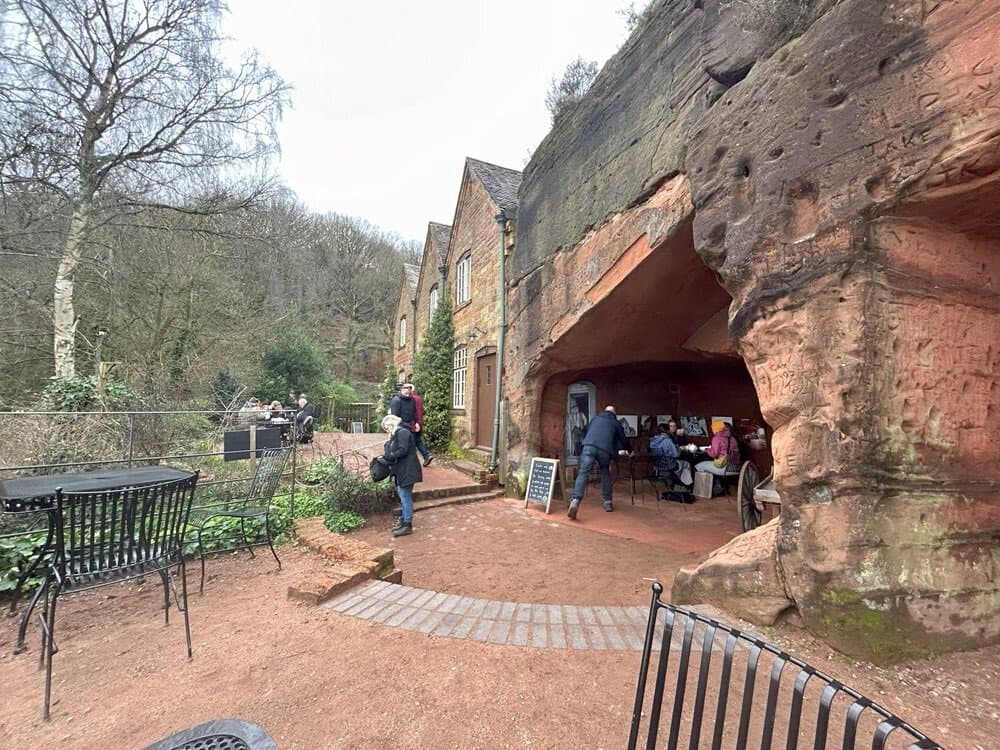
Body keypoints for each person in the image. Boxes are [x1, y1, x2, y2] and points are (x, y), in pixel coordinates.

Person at [567, 405, 630, 519]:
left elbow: (585, 431)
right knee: (605, 472)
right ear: (614, 414)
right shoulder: (615, 423)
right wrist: (630, 450)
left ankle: (575, 501)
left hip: (588, 446)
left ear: (604, 411)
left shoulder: (595, 419)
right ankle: (608, 502)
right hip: (604, 450)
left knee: (583, 473)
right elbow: (624, 440)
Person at [381, 413, 422, 537]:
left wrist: (391, 454)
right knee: (403, 496)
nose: (387, 430)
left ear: (392, 424)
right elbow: (390, 450)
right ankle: (404, 522)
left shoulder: (402, 433)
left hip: (408, 470)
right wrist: (388, 444)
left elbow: (402, 450)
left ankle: (407, 524)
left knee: (405, 496)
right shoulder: (396, 434)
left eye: (387, 427)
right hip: (403, 469)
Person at [695, 421, 741, 494]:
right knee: (712, 465)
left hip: (724, 467)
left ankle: (706, 491)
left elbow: (714, 454)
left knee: (699, 466)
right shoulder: (732, 438)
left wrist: (706, 450)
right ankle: (720, 486)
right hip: (735, 467)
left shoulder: (717, 438)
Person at [409, 385, 433, 467]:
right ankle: (427, 456)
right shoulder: (419, 398)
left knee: (411, 443)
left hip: (413, 424)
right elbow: (422, 411)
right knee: (418, 441)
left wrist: (416, 423)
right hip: (419, 423)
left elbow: (413, 412)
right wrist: (420, 423)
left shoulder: (411, 399)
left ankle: (412, 463)